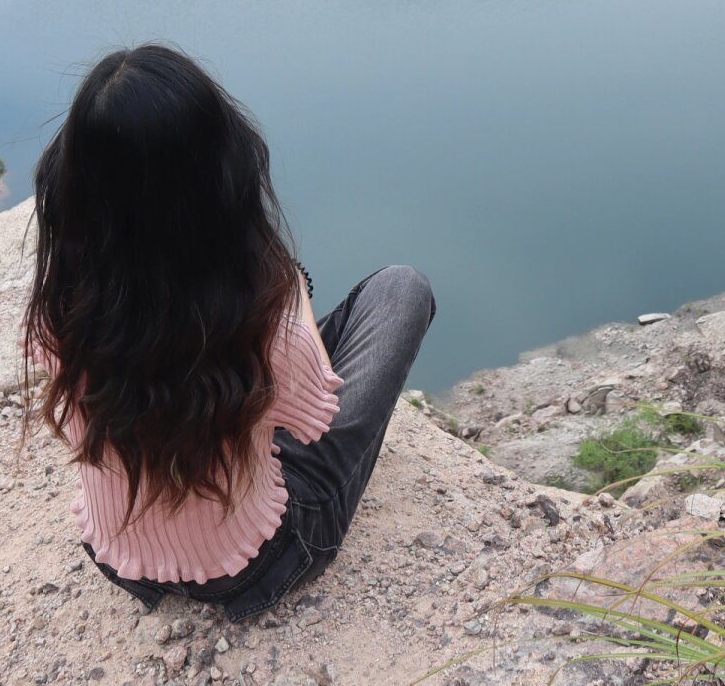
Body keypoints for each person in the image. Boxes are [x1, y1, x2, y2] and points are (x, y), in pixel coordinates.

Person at [23, 44, 435, 620]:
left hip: (115, 555)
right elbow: (312, 414)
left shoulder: (56, 312)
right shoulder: (266, 318)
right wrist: (291, 288)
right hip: (254, 566)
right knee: (402, 289)